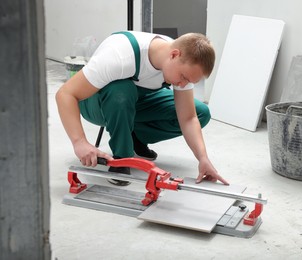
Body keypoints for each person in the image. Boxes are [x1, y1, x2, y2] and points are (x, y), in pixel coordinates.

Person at [56, 30, 229, 186]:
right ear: (174, 55)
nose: (183, 84)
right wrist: (80, 142)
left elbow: (188, 118)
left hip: (133, 102)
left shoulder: (179, 62)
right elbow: (65, 94)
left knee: (200, 113)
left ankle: (134, 136)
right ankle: (122, 158)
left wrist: (203, 158)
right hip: (94, 102)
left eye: (189, 81)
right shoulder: (119, 56)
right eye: (183, 77)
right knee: (122, 90)